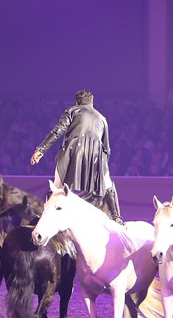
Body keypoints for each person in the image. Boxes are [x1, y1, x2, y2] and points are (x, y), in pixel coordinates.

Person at [30, 90, 123, 224]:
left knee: (57, 187)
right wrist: (102, 167)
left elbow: (58, 131)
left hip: (72, 153)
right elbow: (107, 147)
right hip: (96, 157)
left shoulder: (72, 111)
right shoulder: (102, 118)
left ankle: (45, 218)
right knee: (108, 184)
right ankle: (117, 217)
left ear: (76, 103)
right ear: (92, 103)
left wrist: (41, 150)